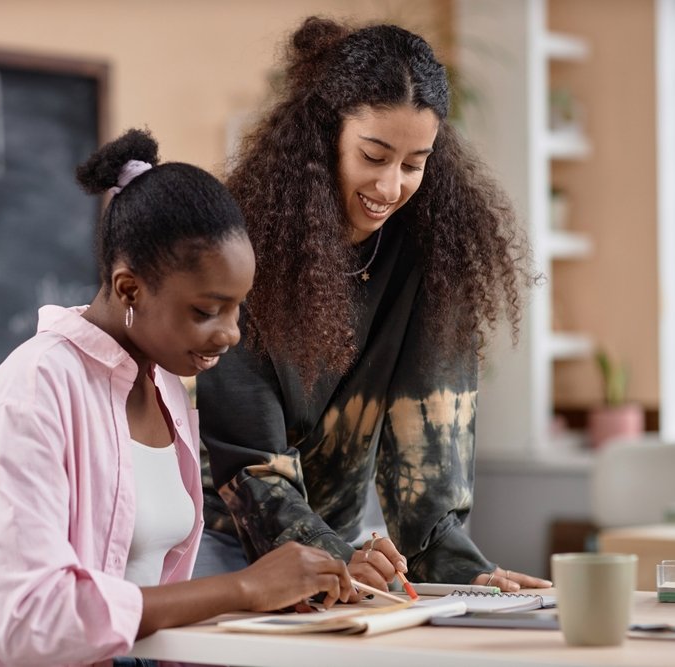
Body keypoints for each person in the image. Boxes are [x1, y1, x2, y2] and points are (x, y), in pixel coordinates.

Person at [0, 128, 354, 667]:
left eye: (237, 309)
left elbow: (154, 602)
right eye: (207, 311)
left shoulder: (165, 390)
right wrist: (244, 590)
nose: (231, 334)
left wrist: (276, 603)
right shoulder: (35, 388)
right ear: (129, 288)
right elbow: (28, 619)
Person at [194, 16, 552, 594]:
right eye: (374, 156)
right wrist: (336, 556)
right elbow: (249, 464)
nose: (391, 187)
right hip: (224, 543)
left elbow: (429, 459)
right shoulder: (243, 250)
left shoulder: (431, 256)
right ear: (324, 136)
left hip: (341, 547)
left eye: (414, 164)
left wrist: (469, 578)